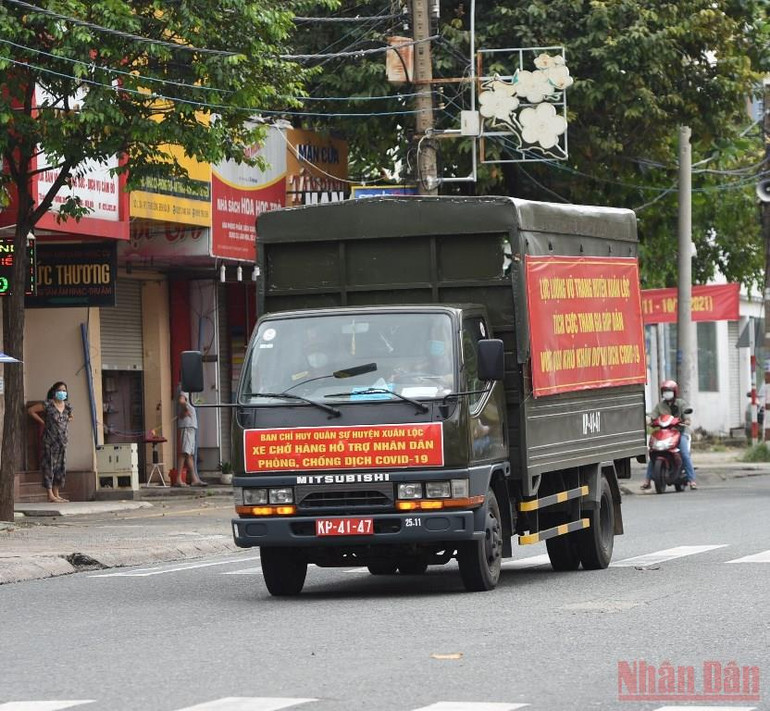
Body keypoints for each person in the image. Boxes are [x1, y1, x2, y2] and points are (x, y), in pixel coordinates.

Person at [641, 379, 697, 490]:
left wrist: (686, 421)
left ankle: (692, 480)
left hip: (680, 432)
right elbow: (652, 416)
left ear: (675, 391)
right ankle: (647, 480)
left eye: (669, 391)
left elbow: (687, 417)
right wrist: (648, 421)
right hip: (664, 433)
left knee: (685, 454)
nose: (667, 393)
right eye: (665, 391)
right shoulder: (660, 406)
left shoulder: (681, 403)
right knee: (653, 453)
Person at [28, 381, 73, 503]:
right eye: (60, 390)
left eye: (64, 390)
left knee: (60, 468)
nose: (62, 393)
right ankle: (50, 494)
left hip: (62, 442)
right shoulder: (48, 405)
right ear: (54, 391)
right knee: (49, 466)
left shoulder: (67, 406)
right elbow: (31, 410)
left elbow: (70, 417)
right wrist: (42, 421)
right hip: (49, 441)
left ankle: (56, 493)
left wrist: (67, 420)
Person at [176, 391, 207, 487]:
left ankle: (194, 479)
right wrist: (186, 409)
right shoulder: (185, 389)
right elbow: (181, 400)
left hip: (190, 426)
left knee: (189, 454)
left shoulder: (190, 391)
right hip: (187, 426)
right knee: (185, 452)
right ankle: (178, 479)